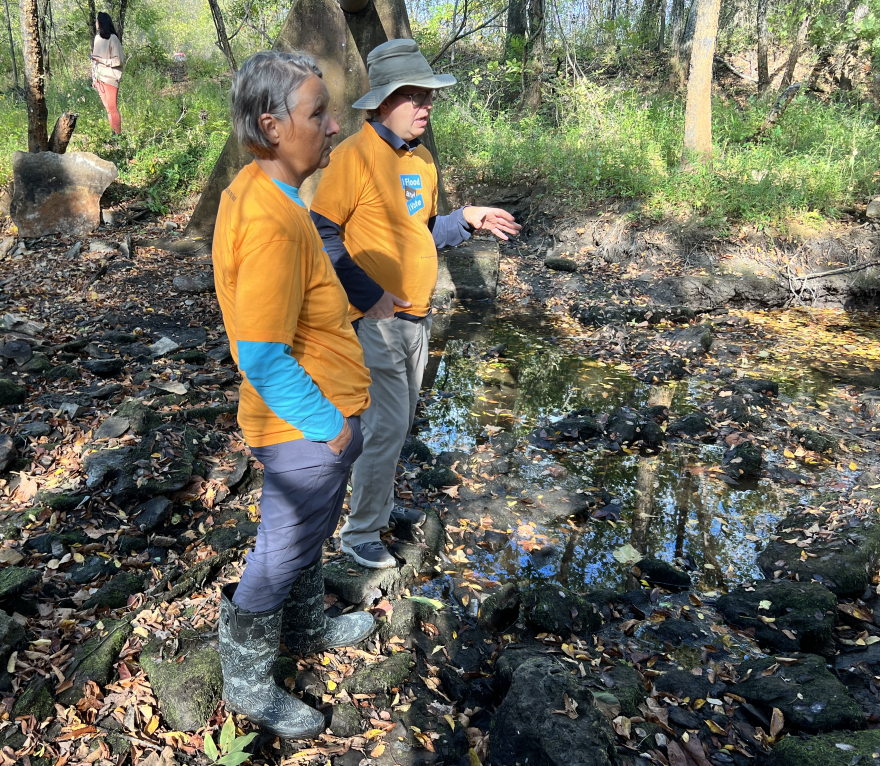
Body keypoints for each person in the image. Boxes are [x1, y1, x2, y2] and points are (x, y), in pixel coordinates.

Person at [212, 50, 375, 739]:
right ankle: (247, 685)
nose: (334, 126)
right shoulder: (274, 223)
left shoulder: (263, 191)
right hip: (304, 430)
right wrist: (332, 430)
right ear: (273, 126)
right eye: (319, 113)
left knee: (306, 537)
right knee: (277, 558)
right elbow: (261, 356)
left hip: (313, 423)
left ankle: (308, 627)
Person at [310, 39, 521, 569]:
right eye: (412, 96)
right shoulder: (352, 158)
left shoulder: (422, 160)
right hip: (374, 322)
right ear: (382, 101)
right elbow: (321, 232)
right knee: (384, 427)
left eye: (428, 96)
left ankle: (369, 507)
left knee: (397, 426)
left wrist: (465, 218)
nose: (424, 106)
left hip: (417, 319)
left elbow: (422, 230)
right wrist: (370, 297)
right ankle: (360, 534)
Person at [91, 12, 124, 135]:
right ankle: (113, 134)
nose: (96, 23)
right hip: (100, 78)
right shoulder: (97, 38)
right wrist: (94, 78)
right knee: (108, 110)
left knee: (112, 108)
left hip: (110, 78)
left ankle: (118, 136)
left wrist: (101, 60)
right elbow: (94, 60)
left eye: (97, 20)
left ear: (102, 22)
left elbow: (118, 60)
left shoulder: (113, 39)